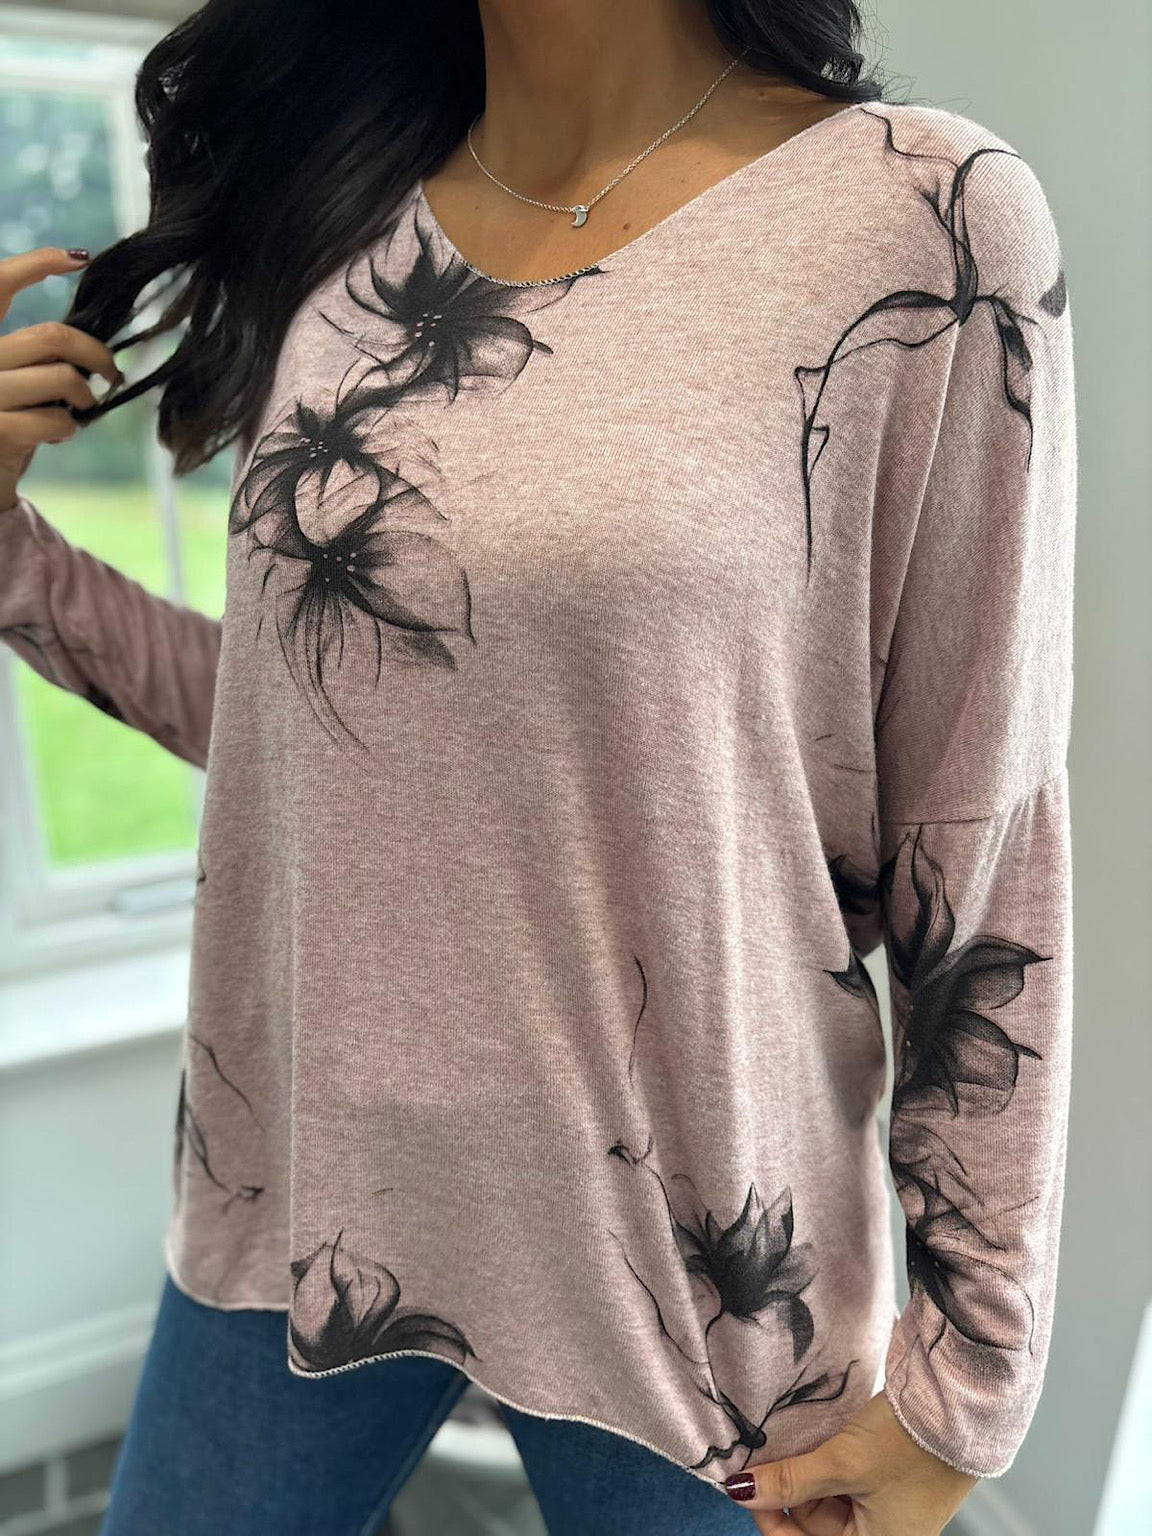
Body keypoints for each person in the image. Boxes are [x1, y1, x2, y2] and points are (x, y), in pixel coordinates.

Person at [0, 1, 1077, 1533]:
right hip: (299, 1176)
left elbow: (985, 830)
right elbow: (295, 730)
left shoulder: (924, 217)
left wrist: (974, 1376)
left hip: (693, 1257)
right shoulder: (351, 219)